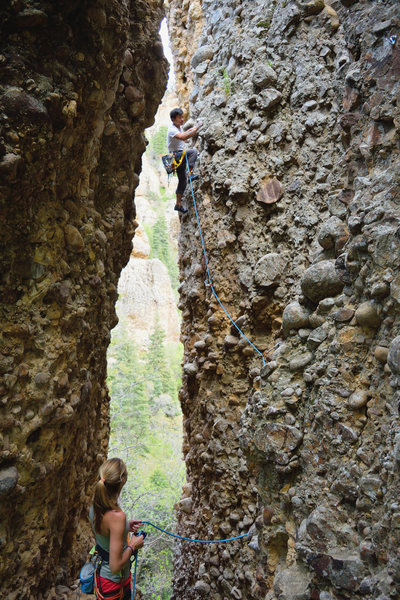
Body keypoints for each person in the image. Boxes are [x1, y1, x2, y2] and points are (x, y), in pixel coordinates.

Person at [90, 458, 144, 600]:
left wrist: (126, 527)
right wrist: (133, 545)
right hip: (114, 582)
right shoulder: (117, 517)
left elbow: (104, 531)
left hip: (102, 577)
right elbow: (115, 566)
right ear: (123, 480)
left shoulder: (94, 506)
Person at [167, 107, 200, 214]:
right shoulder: (172, 130)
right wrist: (196, 129)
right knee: (193, 152)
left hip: (176, 158)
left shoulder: (177, 128)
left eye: (182, 117)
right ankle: (190, 173)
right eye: (179, 118)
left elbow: (185, 134)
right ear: (173, 119)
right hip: (177, 156)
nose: (182, 119)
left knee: (182, 181)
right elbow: (182, 137)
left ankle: (178, 204)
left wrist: (195, 128)